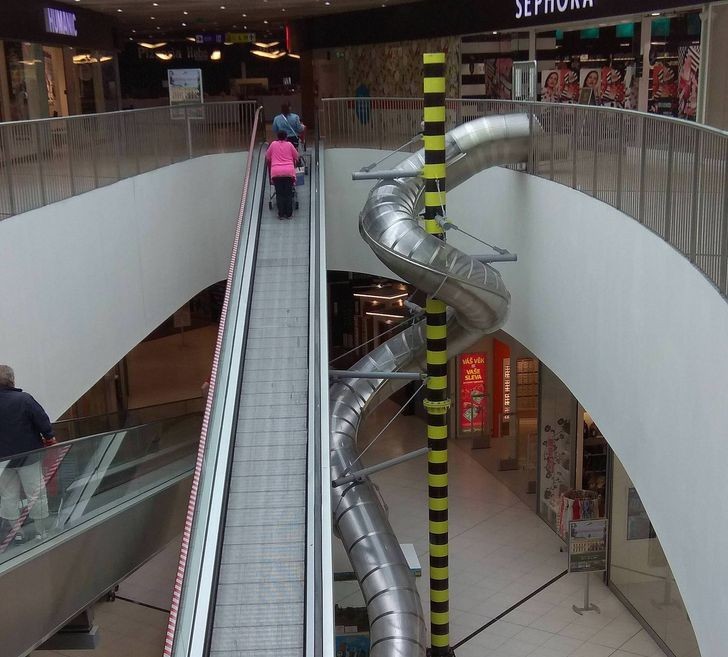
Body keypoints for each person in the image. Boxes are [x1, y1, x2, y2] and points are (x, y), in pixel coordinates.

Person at [0, 365, 56, 542]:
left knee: (8, 496)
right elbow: (42, 420)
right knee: (36, 494)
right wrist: (49, 438)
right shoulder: (24, 399)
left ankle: (16, 533)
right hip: (28, 456)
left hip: (2, 460)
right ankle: (41, 531)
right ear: (12, 379)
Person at [266, 131, 299, 219]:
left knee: (279, 194)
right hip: (288, 172)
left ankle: (281, 214)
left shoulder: (273, 144)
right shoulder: (289, 144)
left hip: (276, 172)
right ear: (286, 137)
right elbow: (296, 156)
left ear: (277, 136)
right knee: (288, 193)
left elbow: (267, 156)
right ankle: (289, 214)